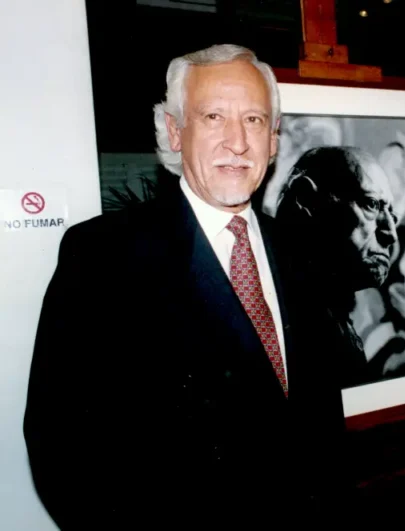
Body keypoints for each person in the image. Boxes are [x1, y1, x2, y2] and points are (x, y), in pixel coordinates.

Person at [23, 44, 353, 530]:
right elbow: (58, 443)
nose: (237, 142)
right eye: (214, 116)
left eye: (255, 120)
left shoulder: (303, 250)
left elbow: (320, 426)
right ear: (175, 132)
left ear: (276, 140)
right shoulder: (103, 255)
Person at [273, 146, 401, 387]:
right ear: (307, 198)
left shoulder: (331, 318)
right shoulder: (280, 319)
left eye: (392, 217)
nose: (390, 234)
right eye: (372, 204)